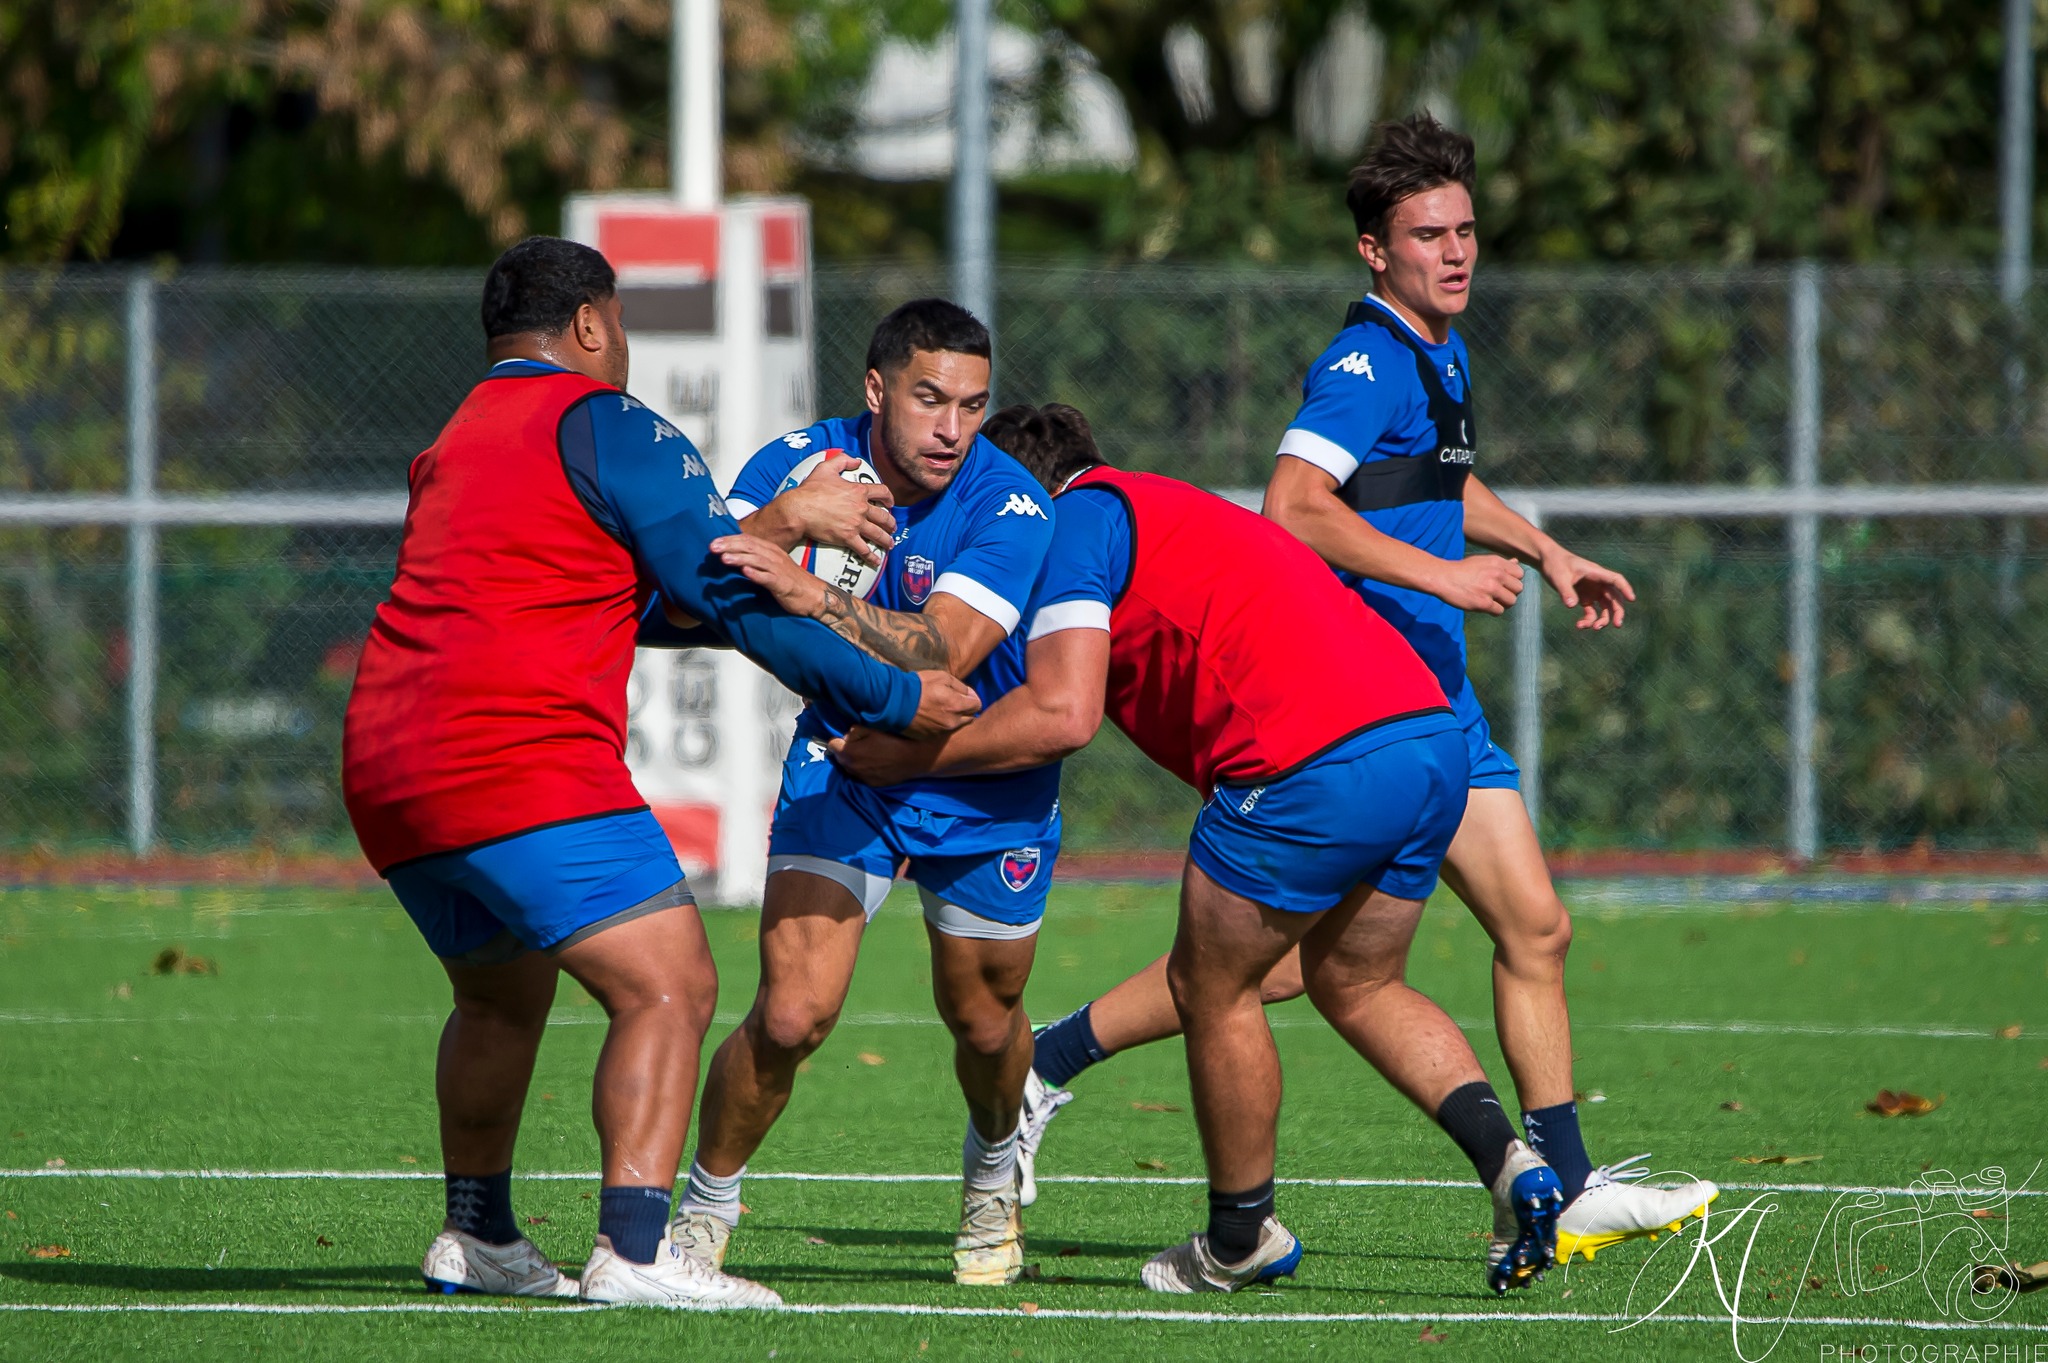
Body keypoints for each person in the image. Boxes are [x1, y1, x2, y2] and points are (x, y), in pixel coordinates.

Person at [1016, 114, 1717, 1266]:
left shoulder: (1439, 354)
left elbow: (1435, 481)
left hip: (1428, 702)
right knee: (1297, 971)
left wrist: (1543, 550)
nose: (1454, 252)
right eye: (1425, 234)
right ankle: (1063, 1069)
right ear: (1371, 252)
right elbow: (1290, 503)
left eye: (1464, 229)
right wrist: (1439, 573)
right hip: (1359, 703)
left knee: (1513, 929)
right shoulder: (1363, 361)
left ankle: (1557, 1178)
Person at [340, 238, 977, 1309]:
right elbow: (720, 594)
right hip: (515, 756)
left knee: (500, 998)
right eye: (619, 323)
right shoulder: (609, 421)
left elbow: (644, 602)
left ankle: (479, 1234)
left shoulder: (457, 436)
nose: (623, 344)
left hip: (388, 761)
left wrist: (771, 528)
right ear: (590, 324)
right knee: (671, 982)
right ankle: (635, 1253)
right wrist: (893, 695)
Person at [826, 402, 1566, 1295]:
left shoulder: (1069, 522)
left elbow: (1064, 714)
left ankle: (1239, 1234)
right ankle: (1512, 1165)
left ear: (1026, 493)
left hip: (1309, 759)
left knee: (1213, 988)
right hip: (1429, 739)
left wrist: (906, 753)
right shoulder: (1163, 508)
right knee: (1358, 983)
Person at [665, 301, 1061, 1287]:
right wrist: (785, 519)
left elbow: (943, 655)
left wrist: (805, 592)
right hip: (844, 760)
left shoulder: (1011, 504)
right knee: (791, 1013)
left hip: (984, 778)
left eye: (972, 404)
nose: (951, 428)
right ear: (877, 390)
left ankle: (988, 1165)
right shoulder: (799, 462)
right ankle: (703, 1211)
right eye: (929, 399)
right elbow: (679, 598)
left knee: (983, 1020)